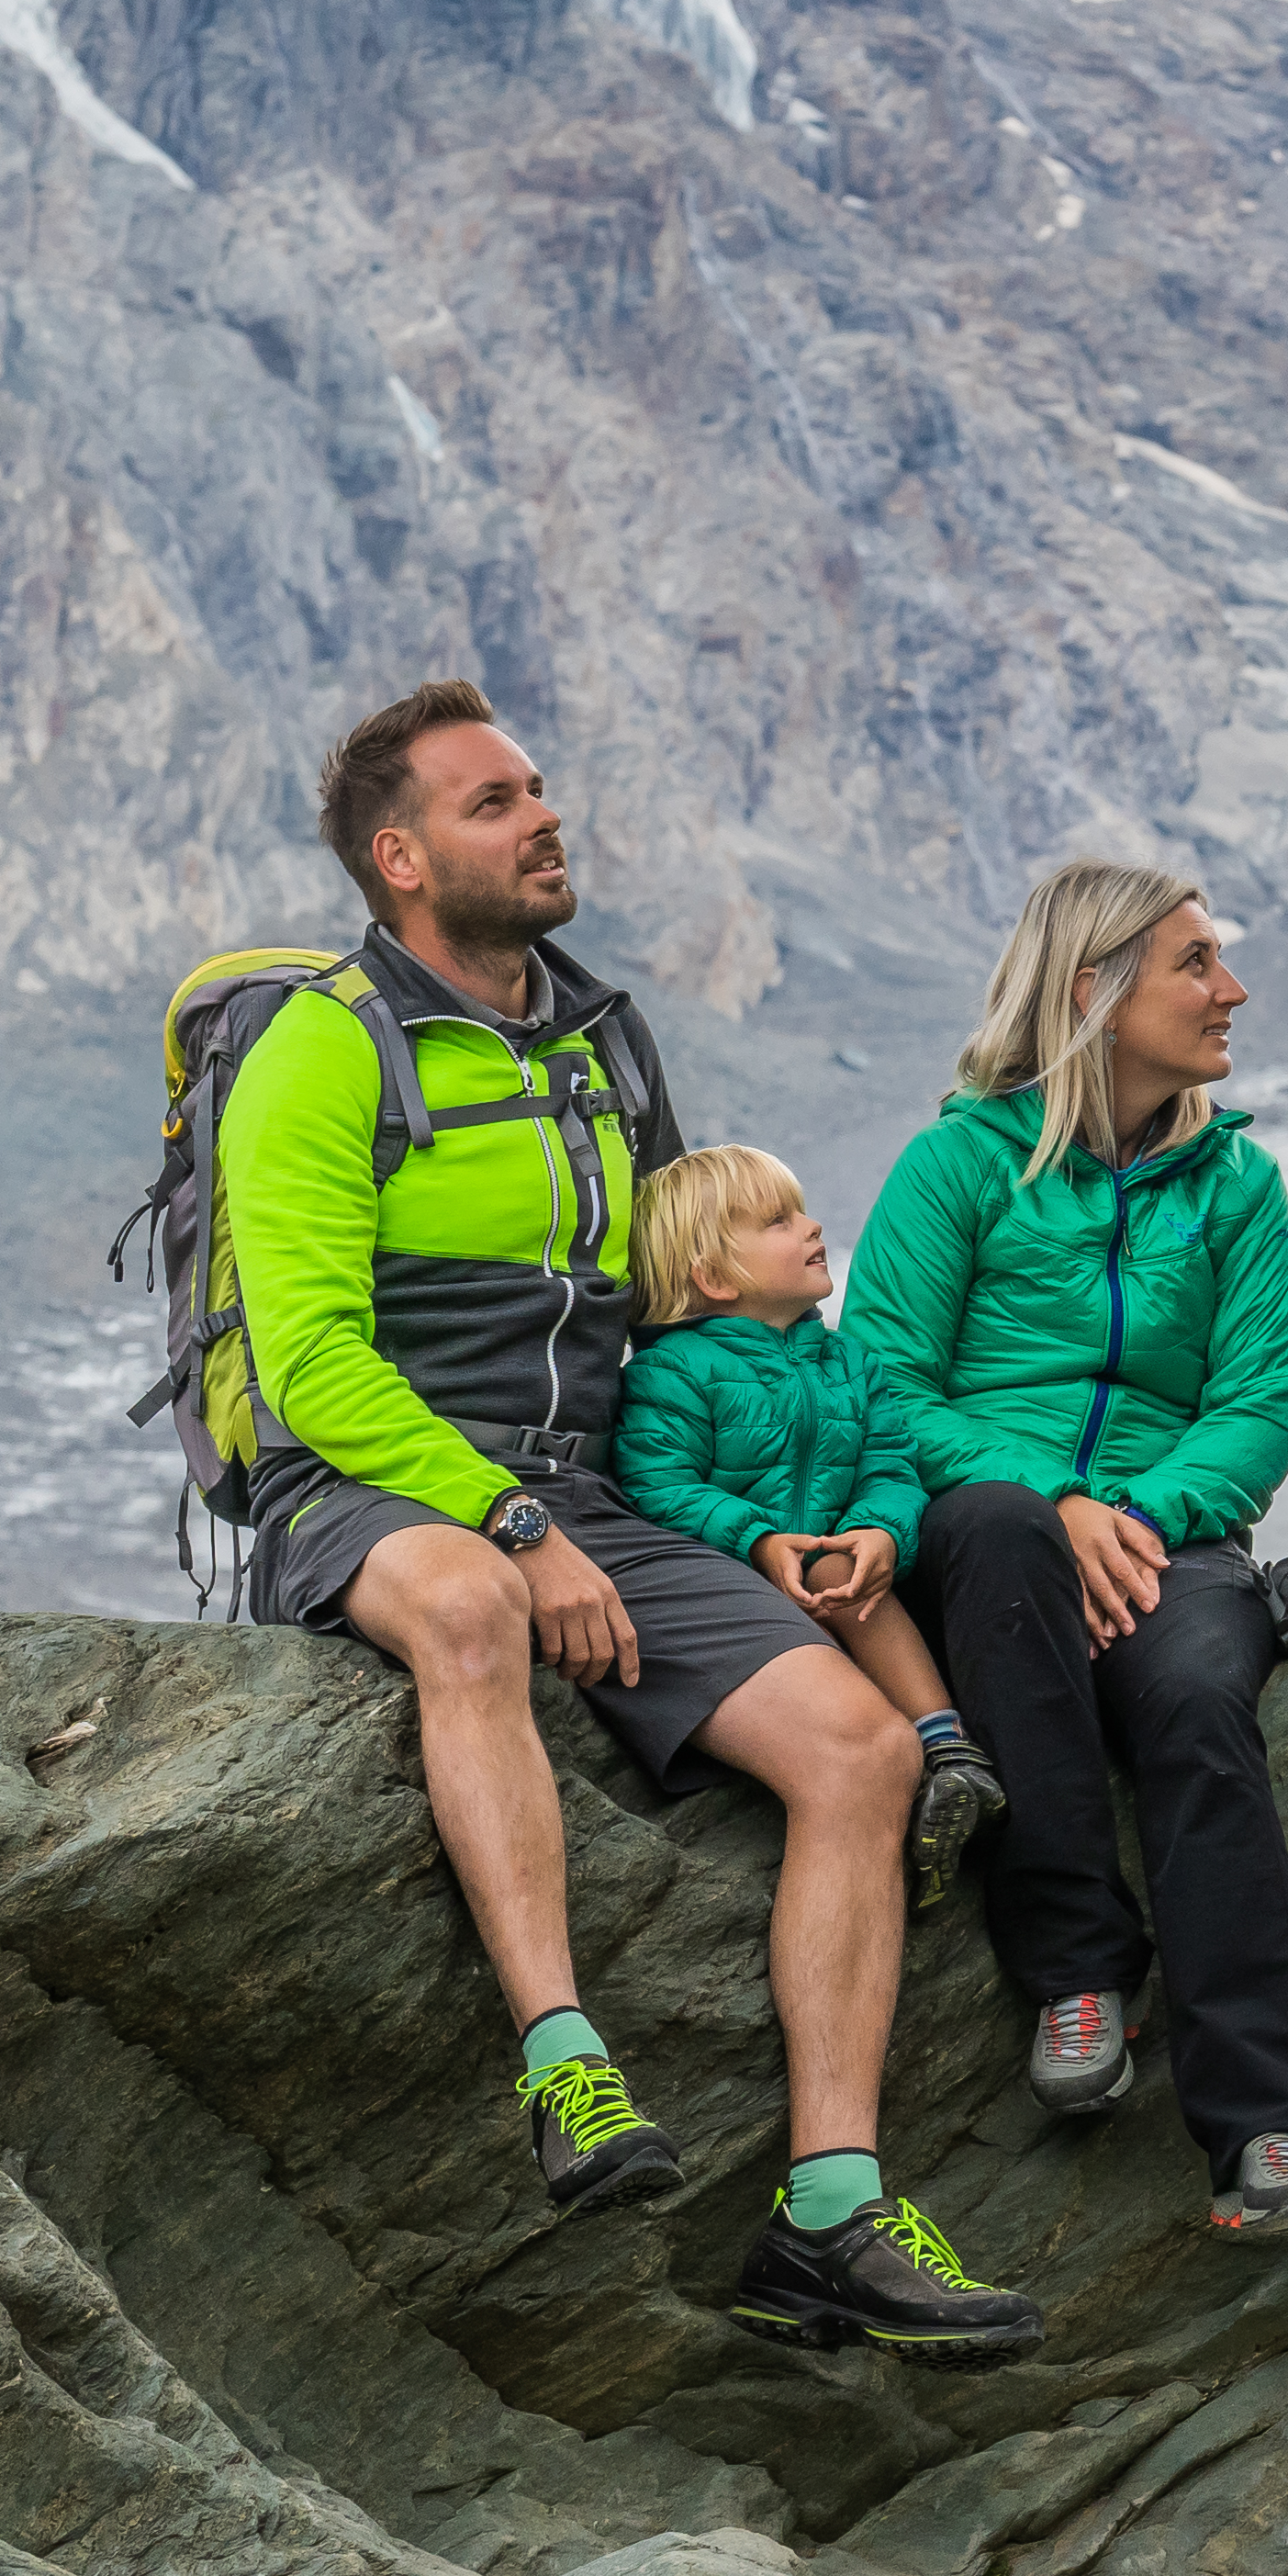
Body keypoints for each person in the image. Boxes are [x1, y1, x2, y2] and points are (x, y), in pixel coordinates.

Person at [219, 681, 1040, 2368]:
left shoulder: (604, 1036)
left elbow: (681, 1315)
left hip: (595, 1493)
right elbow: (308, 1363)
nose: (542, 818)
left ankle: (828, 2215)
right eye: (493, 802)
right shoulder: (317, 1048)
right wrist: (516, 1523)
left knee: (867, 1757)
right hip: (375, 1486)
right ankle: (564, 2065)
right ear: (398, 856)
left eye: (538, 789)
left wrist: (792, 1528)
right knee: (468, 1614)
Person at [846, 859, 1288, 2240]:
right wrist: (1060, 1499)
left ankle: (1275, 2130)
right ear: (1095, 990)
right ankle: (1076, 1967)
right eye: (1195, 963)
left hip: (1167, 1542)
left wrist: (1141, 1518)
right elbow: (882, 1380)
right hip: (992, 1535)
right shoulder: (959, 1162)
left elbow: (1264, 1397)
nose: (1229, 989)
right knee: (1003, 1533)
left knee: (1195, 1702)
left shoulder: (1232, 1184)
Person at [613, 1141, 1010, 1903]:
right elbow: (655, 1484)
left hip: (834, 1576)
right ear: (713, 1277)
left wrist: (880, 1531)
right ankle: (933, 1753)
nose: (812, 1226)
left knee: (844, 1570)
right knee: (825, 1573)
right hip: (737, 1586)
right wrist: (755, 1537)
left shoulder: (852, 1364)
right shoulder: (672, 1373)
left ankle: (949, 1755)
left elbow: (891, 1468)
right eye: (778, 1220)